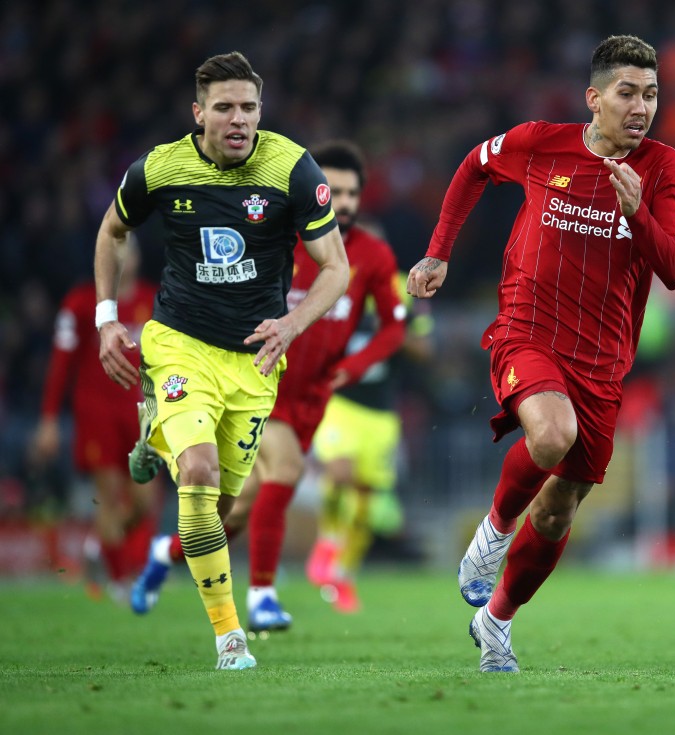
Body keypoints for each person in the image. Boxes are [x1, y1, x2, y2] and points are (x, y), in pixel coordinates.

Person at [406, 35, 675, 673]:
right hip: (527, 331)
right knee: (551, 433)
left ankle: (496, 622)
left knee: (561, 509)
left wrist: (638, 212)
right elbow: (474, 166)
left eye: (651, 94)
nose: (641, 106)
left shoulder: (665, 169)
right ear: (594, 99)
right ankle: (492, 534)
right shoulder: (543, 143)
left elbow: (674, 267)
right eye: (628, 93)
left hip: (602, 363)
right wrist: (438, 250)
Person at [94, 52, 349, 670]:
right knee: (200, 473)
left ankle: (157, 434)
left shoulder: (291, 167)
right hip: (179, 341)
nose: (239, 120)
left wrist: (291, 322)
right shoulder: (160, 168)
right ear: (198, 112)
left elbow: (335, 268)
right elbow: (112, 232)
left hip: (252, 364)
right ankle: (230, 639)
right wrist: (107, 319)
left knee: (227, 505)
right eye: (225, 107)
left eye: (249, 108)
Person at [128, 139, 407, 632]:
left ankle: (164, 552)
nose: (342, 202)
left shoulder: (373, 256)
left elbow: (393, 327)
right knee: (289, 468)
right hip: (260, 377)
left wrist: (354, 365)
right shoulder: (283, 235)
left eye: (351, 193)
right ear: (318, 192)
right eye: (333, 190)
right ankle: (261, 594)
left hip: (314, 395)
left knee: (238, 509)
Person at [29, 239, 160, 602]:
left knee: (144, 503)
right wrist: (50, 419)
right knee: (108, 493)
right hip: (96, 412)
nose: (121, 256)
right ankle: (120, 582)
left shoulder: (154, 300)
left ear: (137, 257)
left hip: (143, 414)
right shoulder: (81, 303)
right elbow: (60, 365)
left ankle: (97, 543)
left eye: (128, 249)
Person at [307, 286, 433, 613]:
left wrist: (399, 333)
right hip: (342, 405)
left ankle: (343, 575)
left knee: (366, 499)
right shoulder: (337, 299)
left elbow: (424, 350)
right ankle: (327, 543)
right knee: (339, 472)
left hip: (381, 417)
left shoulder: (400, 303)